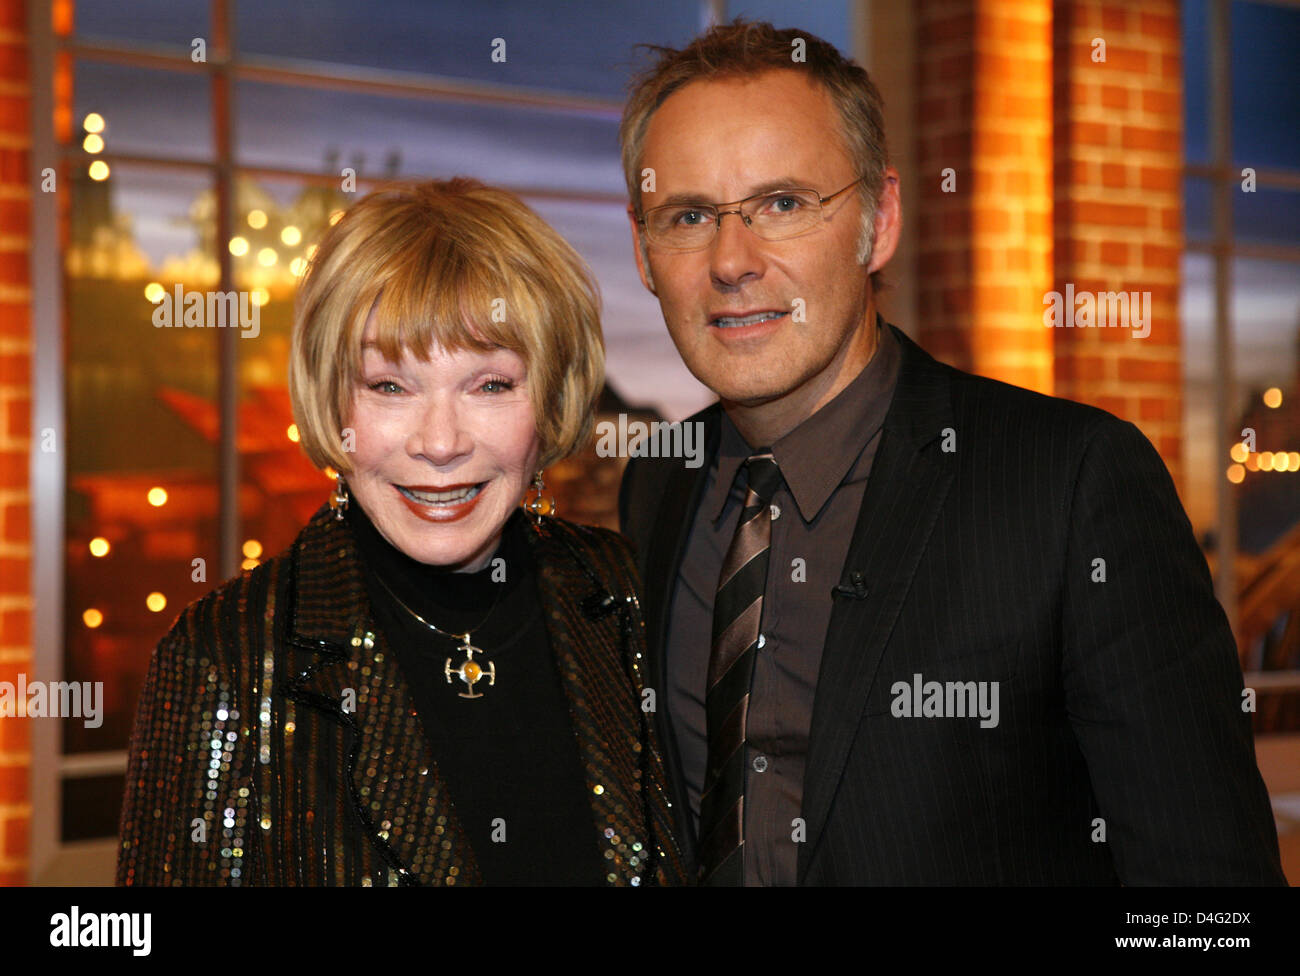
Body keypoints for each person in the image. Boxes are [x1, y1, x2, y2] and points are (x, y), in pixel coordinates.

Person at [617, 20, 1285, 885]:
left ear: (881, 220)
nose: (732, 260)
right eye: (690, 215)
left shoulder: (1071, 485)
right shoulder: (656, 484)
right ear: (642, 251)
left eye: (783, 204)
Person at [117, 178, 686, 886]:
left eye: (490, 385)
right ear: (330, 399)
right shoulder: (226, 655)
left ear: (552, 397)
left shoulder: (633, 597)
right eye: (389, 386)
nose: (441, 442)